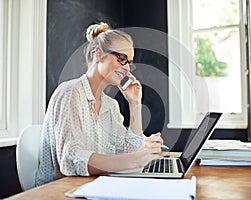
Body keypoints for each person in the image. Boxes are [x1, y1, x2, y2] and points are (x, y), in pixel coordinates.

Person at [35, 22, 164, 186]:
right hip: (57, 191)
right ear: (98, 54)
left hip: (93, 186)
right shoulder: (69, 93)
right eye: (121, 58)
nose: (127, 69)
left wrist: (135, 104)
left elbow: (128, 151)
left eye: (129, 62)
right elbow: (70, 159)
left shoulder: (110, 106)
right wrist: (133, 160)